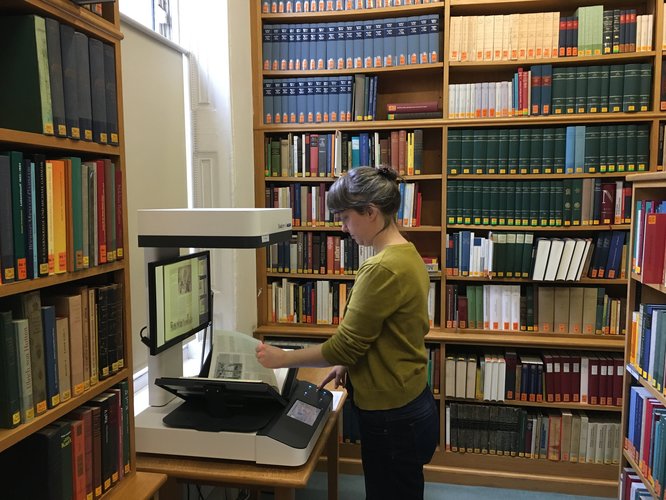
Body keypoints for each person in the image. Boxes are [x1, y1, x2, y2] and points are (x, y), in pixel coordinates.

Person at [256, 166, 438, 500]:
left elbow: (344, 344)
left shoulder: (381, 267)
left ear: (370, 212)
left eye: (345, 218)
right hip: (410, 400)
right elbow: (384, 334)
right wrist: (348, 364)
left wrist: (283, 358)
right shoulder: (407, 254)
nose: (343, 229)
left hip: (391, 415)